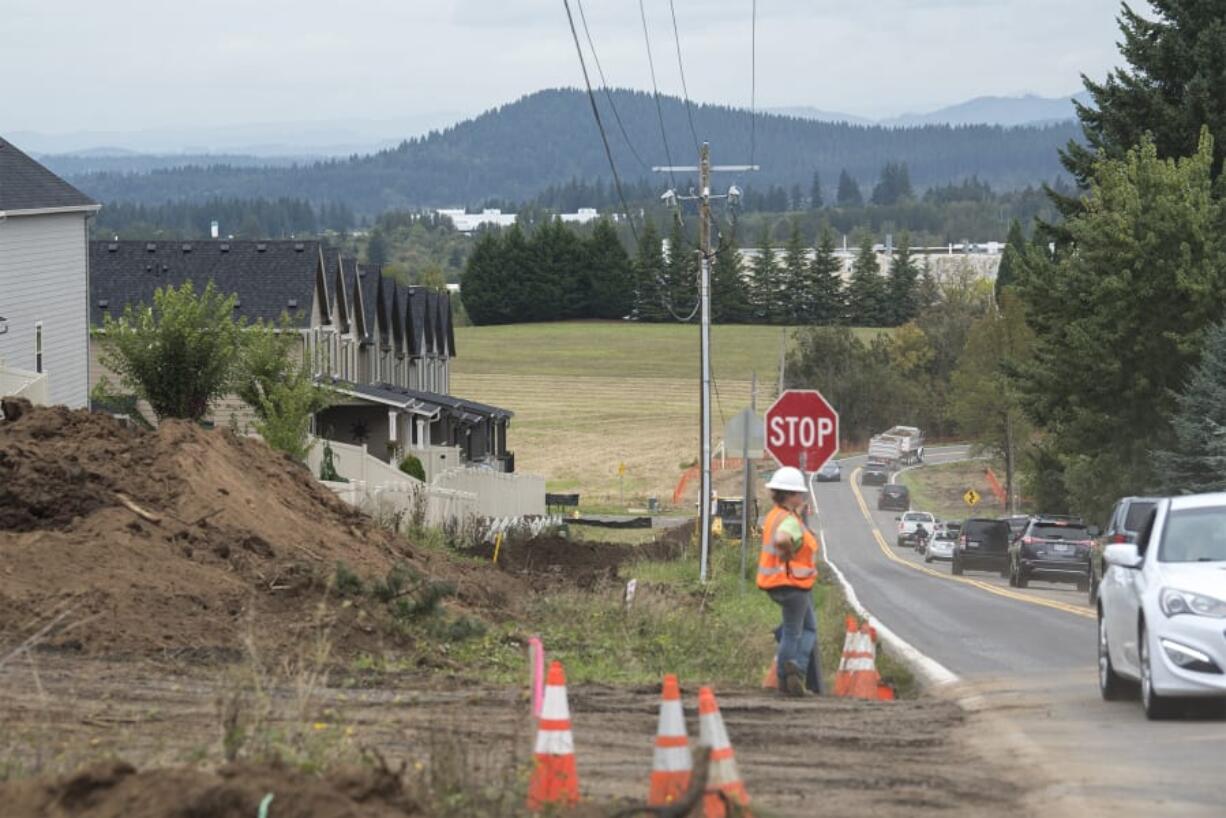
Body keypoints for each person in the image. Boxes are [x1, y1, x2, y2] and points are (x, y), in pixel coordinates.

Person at [759, 466, 820, 696]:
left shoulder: (775, 514)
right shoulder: (789, 521)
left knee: (805, 627)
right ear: (789, 495)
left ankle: (792, 674)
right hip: (793, 584)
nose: (802, 497)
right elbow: (783, 538)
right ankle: (791, 675)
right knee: (795, 631)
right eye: (799, 494)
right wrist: (786, 552)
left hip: (775, 582)